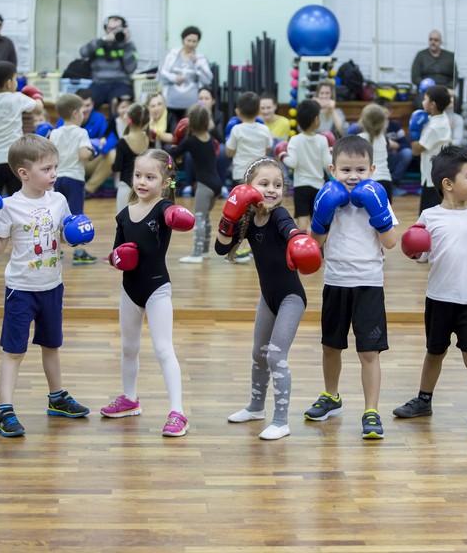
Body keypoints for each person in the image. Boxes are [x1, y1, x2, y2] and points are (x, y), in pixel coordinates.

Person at [0, 134, 94, 437]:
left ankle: (57, 398)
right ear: (24, 173)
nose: (54, 174)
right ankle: (5, 410)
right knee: (14, 351)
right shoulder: (10, 206)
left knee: (52, 345)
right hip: (21, 288)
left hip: (52, 285)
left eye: (55, 167)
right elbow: (0, 247)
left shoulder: (59, 200)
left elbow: (65, 237)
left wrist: (75, 235)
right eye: (46, 169)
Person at [394, 145, 467, 440]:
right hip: (438, 297)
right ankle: (423, 400)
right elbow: (424, 256)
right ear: (448, 184)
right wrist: (413, 251)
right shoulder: (430, 216)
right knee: (434, 352)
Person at [216, 158, 322, 440]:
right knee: (258, 353)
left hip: (291, 298)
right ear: (249, 188)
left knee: (276, 356)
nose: (272, 189)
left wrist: (299, 240)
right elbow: (220, 248)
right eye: (264, 184)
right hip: (268, 297)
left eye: (278, 184)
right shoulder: (249, 220)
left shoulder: (278, 216)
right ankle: (255, 408)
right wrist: (229, 217)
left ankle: (281, 421)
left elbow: (289, 228)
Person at [305, 135, 398, 440]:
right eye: (346, 170)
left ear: (371, 169)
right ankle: (331, 396)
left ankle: (371, 409)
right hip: (335, 281)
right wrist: (321, 218)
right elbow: (314, 244)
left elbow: (391, 242)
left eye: (360, 169)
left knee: (369, 352)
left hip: (369, 283)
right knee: (331, 345)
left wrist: (378, 214)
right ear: (333, 169)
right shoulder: (327, 197)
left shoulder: (377, 197)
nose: (353, 176)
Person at [102, 149, 195, 437]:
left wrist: (180, 215)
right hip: (130, 289)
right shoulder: (123, 214)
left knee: (163, 349)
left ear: (165, 182)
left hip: (157, 290)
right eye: (138, 176)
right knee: (128, 347)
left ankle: (178, 411)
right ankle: (129, 399)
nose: (142, 182)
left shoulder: (163, 208)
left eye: (150, 177)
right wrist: (116, 258)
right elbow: (115, 254)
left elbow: (178, 217)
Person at [0, 60, 44, 258]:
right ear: (9, 82)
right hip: (15, 160)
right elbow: (38, 108)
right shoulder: (17, 98)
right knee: (22, 201)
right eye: (15, 79)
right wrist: (36, 94)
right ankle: (30, 241)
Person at [50, 93, 97, 265]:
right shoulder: (81, 132)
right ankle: (78, 251)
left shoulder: (54, 133)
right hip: (75, 178)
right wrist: (93, 152)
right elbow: (83, 154)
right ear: (76, 113)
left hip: (56, 178)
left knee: (57, 214)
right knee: (76, 214)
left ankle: (56, 249)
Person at [173, 105, 222, 263]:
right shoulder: (209, 137)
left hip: (204, 185)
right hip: (216, 185)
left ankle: (196, 254)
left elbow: (174, 153)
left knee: (199, 218)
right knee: (206, 217)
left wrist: (174, 142)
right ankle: (205, 251)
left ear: (190, 122)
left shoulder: (191, 141)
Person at [278, 99, 331, 231]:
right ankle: (317, 246)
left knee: (302, 216)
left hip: (301, 185)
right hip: (318, 185)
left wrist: (282, 155)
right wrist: (331, 151)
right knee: (317, 218)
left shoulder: (295, 140)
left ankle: (301, 243)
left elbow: (292, 163)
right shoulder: (322, 139)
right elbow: (327, 163)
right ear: (316, 119)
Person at [159, 26, 213, 131]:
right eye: (189, 40)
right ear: (183, 39)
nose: (191, 44)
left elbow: (208, 80)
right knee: (173, 132)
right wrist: (174, 78)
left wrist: (197, 64)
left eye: (194, 41)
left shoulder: (201, 58)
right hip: (170, 105)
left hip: (191, 107)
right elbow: (160, 74)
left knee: (189, 133)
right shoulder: (172, 54)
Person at [80, 15, 137, 110]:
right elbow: (83, 52)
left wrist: (125, 43)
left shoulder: (128, 46)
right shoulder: (99, 42)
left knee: (120, 108)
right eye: (109, 29)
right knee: (83, 105)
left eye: (116, 29)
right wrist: (102, 40)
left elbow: (130, 69)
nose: (112, 32)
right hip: (98, 83)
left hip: (120, 83)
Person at [410, 85, 452, 213]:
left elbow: (416, 150)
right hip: (437, 173)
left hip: (432, 176)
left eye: (425, 99)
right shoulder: (441, 117)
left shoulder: (434, 127)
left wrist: (413, 131)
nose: (423, 102)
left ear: (432, 104)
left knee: (427, 215)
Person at [112, 103, 150, 213]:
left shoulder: (123, 141)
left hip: (126, 185)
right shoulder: (146, 138)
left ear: (129, 119)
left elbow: (117, 167)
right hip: (143, 185)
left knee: (122, 220)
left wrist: (112, 165)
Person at [375, 97, 413, 197]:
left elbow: (406, 144)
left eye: (385, 112)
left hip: (393, 156)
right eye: (379, 112)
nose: (382, 116)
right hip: (376, 159)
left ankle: (393, 183)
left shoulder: (395, 126)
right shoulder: (372, 127)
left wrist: (394, 145)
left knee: (407, 152)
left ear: (390, 112)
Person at [411, 29, 459, 108]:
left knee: (455, 102)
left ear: (440, 42)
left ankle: (446, 120)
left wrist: (448, 89)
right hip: (426, 90)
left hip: (444, 90)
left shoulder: (450, 57)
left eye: (436, 40)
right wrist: (425, 85)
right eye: (430, 39)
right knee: (419, 103)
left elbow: (455, 77)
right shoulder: (421, 55)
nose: (433, 42)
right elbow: (415, 77)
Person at [358, 103, 393, 201]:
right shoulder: (384, 138)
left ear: (362, 121)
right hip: (386, 182)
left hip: (368, 182)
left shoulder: (359, 138)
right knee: (384, 215)